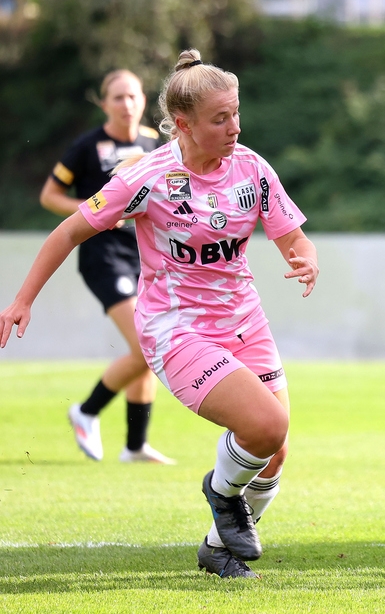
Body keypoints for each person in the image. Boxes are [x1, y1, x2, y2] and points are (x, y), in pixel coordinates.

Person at [0, 49, 319, 579]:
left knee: (275, 449)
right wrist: (22, 299)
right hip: (176, 329)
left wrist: (305, 260)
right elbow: (69, 229)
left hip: (245, 321)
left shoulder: (252, 169)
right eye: (221, 119)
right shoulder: (147, 177)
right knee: (267, 424)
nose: (234, 126)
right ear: (185, 124)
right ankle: (219, 491)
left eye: (237, 113)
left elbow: (293, 238)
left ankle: (218, 549)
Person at [40, 69, 175, 464]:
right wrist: (94, 212)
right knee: (145, 345)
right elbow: (50, 196)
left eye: (132, 96)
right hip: (102, 257)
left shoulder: (153, 142)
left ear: (144, 102)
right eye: (117, 97)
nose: (126, 104)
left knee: (148, 346)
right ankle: (86, 410)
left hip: (145, 257)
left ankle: (134, 446)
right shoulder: (86, 146)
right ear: (104, 104)